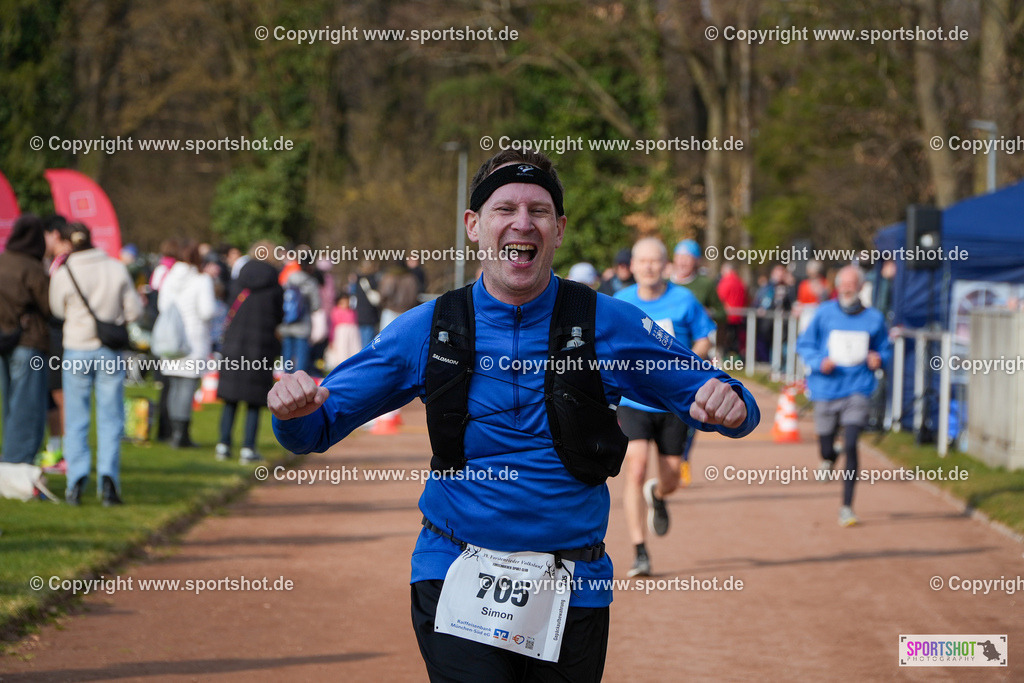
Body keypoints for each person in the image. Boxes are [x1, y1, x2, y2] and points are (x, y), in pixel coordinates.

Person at [269, 150, 760, 681]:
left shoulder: (606, 322)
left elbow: (718, 394)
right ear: (474, 226)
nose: (522, 223)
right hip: (455, 570)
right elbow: (314, 427)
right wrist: (292, 411)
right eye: (505, 209)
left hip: (573, 581)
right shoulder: (430, 328)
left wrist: (731, 406)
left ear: (560, 229)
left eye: (539, 211)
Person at [614, 237, 716, 577]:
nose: (648, 267)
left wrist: (693, 361)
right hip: (633, 400)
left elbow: (704, 335)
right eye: (641, 261)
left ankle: (657, 494)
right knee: (637, 466)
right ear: (633, 266)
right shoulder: (621, 302)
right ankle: (639, 550)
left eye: (654, 261)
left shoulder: (683, 299)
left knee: (672, 477)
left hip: (673, 402)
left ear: (665, 265)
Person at [49, 224, 142, 505]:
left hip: (77, 348)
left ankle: (75, 482)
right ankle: (108, 481)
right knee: (110, 418)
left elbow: (56, 309)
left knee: (76, 419)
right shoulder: (115, 268)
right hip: (109, 352)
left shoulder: (64, 272)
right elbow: (134, 310)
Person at [796, 265, 892, 527]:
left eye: (853, 284)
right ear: (837, 287)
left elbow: (886, 349)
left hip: (858, 388)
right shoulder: (824, 313)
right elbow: (804, 344)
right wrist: (819, 362)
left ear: (861, 287)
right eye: (844, 284)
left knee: (851, 444)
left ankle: (847, 507)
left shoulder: (873, 318)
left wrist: (879, 358)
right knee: (826, 446)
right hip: (826, 388)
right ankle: (829, 455)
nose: (848, 289)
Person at [215, 243, 283, 463]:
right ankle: (248, 447)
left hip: (235, 344)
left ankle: (223, 444)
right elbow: (279, 316)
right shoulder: (275, 286)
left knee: (230, 399)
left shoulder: (238, 280)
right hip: (261, 347)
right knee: (254, 400)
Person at [0, 215, 51, 466]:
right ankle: (17, 463)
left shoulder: (2, 261)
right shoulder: (31, 267)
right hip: (27, 342)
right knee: (26, 407)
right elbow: (49, 305)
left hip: (3, 341)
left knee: (10, 405)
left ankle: (9, 458)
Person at [158, 240, 216, 448]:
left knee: (174, 386)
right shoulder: (202, 280)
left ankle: (173, 431)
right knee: (186, 387)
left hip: (171, 338)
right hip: (193, 339)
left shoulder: (169, 278)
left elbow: (161, 305)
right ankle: (181, 435)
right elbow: (207, 310)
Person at [670, 239, 726, 327]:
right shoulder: (664, 283)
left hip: (695, 338)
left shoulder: (705, 284)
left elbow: (722, 314)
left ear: (696, 261)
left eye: (687, 258)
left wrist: (710, 313)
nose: (682, 262)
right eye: (679, 257)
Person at [716, 262, 749, 358]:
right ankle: (735, 358)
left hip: (727, 316)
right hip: (739, 317)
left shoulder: (725, 281)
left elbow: (719, 298)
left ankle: (727, 358)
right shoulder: (741, 282)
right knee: (735, 341)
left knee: (726, 341)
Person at [351, 261, 381, 348]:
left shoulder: (358, 281)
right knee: (368, 342)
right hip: (370, 315)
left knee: (363, 340)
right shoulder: (373, 281)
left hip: (360, 314)